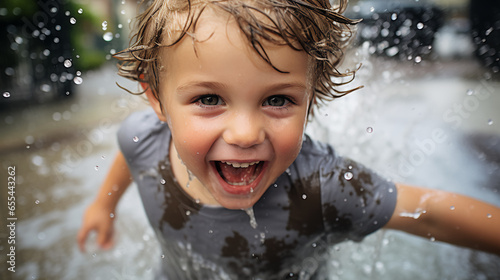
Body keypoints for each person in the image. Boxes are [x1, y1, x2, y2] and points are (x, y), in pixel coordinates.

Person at [77, 0, 500, 279]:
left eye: (277, 99)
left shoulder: (323, 187)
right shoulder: (143, 139)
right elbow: (128, 155)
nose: (245, 134)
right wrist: (103, 205)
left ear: (311, 99)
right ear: (157, 100)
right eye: (209, 99)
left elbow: (428, 213)